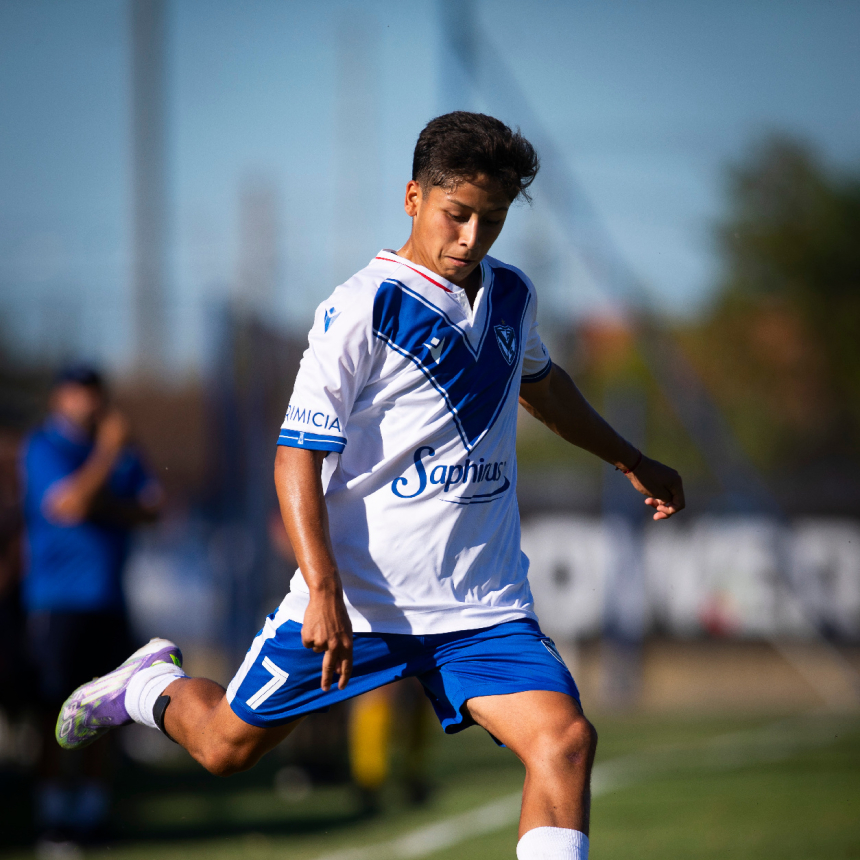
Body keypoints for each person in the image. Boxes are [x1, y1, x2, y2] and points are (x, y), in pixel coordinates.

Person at [56, 113, 684, 859]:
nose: (472, 237)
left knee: (565, 741)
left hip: (482, 606)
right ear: (414, 198)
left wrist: (630, 459)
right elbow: (296, 457)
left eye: (492, 220)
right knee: (225, 747)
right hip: (360, 598)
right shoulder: (363, 307)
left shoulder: (513, 296)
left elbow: (542, 387)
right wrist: (323, 588)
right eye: (457, 214)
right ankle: (144, 686)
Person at [23, 365, 162, 845]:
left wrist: (105, 498)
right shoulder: (45, 447)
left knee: (107, 708)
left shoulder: (123, 448)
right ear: (58, 398)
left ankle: (91, 813)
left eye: (93, 392)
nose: (87, 402)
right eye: (77, 393)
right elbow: (68, 505)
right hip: (56, 602)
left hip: (108, 598)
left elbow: (152, 508)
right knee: (52, 705)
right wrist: (106, 456)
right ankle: (51, 816)